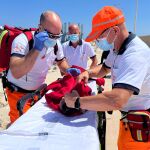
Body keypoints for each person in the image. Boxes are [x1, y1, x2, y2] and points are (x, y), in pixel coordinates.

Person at [63, 6, 150, 150]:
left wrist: (76, 102)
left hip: (141, 125)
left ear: (114, 31)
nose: (97, 40)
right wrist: (88, 73)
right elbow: (104, 68)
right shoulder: (117, 48)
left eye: (99, 36)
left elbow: (117, 100)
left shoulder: (135, 54)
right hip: (130, 120)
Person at [6, 10, 79, 123]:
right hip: (18, 93)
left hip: (39, 92)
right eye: (51, 35)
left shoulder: (56, 44)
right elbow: (16, 72)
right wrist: (36, 48)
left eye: (58, 36)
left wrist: (67, 69)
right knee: (20, 127)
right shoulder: (22, 40)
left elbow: (60, 62)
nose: (54, 39)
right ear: (40, 28)